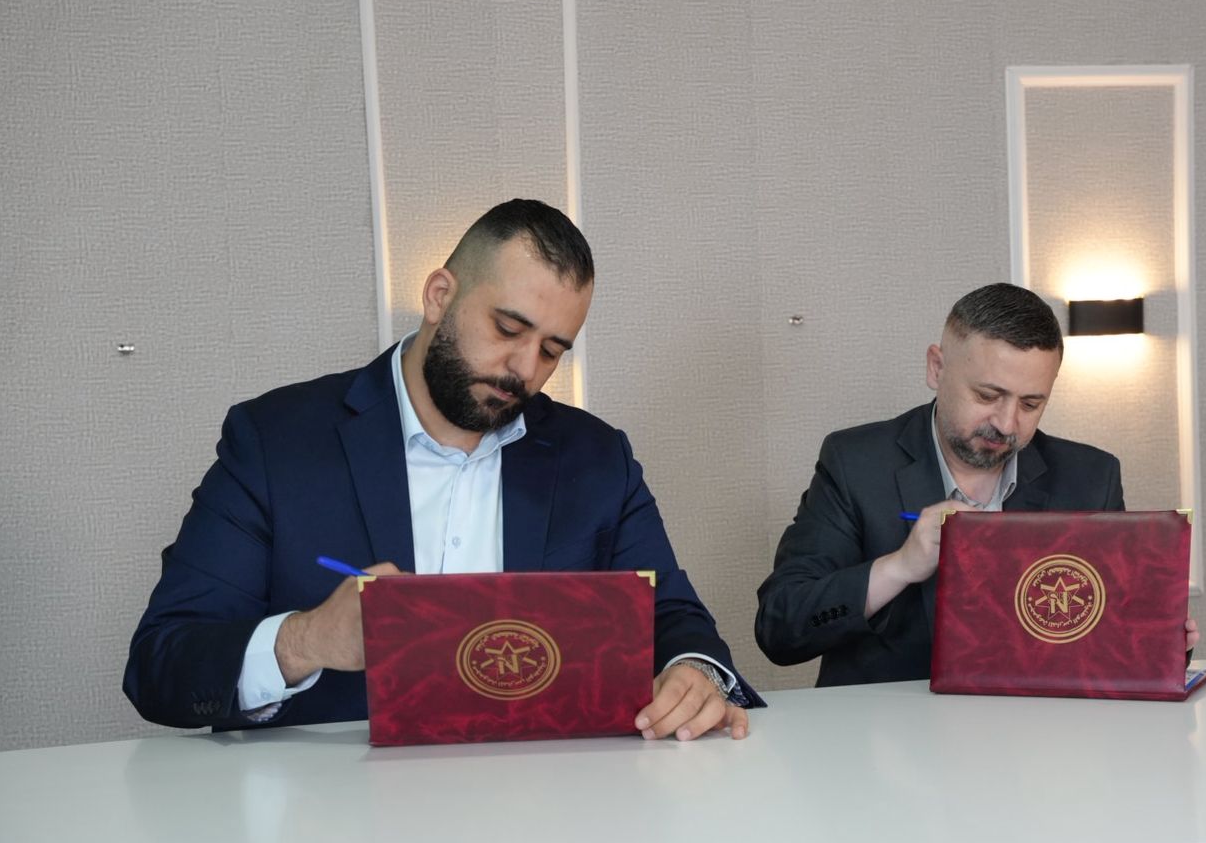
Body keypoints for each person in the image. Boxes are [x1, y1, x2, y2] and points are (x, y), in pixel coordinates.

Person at [126, 199, 759, 741]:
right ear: (439, 296)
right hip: (329, 821)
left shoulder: (596, 458)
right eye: (507, 328)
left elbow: (675, 617)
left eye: (551, 351)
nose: (524, 369)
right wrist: (309, 640)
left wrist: (694, 671)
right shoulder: (275, 442)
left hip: (547, 812)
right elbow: (160, 665)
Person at [755, 282, 1198, 686]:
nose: (1006, 423)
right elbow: (781, 627)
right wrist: (900, 567)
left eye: (1030, 404)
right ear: (936, 368)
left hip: (1039, 734)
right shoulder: (856, 463)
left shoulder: (1091, 477)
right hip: (888, 736)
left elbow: (1108, 635)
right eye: (988, 396)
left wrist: (1155, 641)